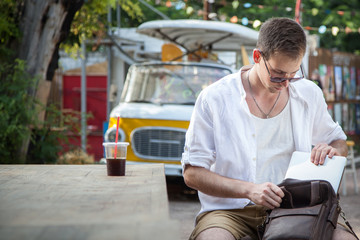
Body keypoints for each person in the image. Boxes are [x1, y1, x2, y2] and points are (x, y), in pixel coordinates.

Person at [181, 17, 355, 240]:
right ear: (257, 57)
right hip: (229, 212)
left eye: (294, 74)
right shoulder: (214, 98)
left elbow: (338, 142)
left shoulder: (307, 92)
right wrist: (249, 190)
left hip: (298, 208)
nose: (285, 83)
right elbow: (192, 173)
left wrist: (333, 152)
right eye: (278, 74)